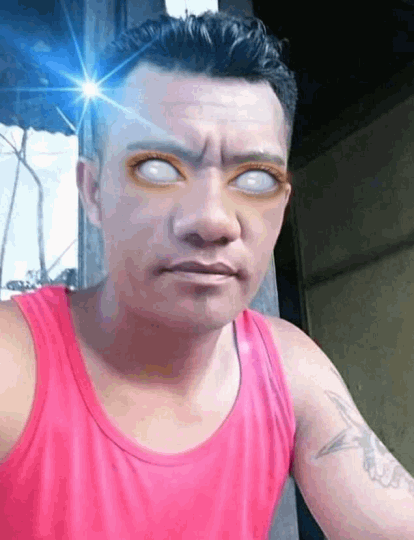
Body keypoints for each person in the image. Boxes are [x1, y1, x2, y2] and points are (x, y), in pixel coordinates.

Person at [0, 11, 413, 540]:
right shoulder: (16, 365)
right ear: (93, 191)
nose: (213, 220)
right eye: (157, 169)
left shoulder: (288, 368)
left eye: (256, 178)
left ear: (283, 205)